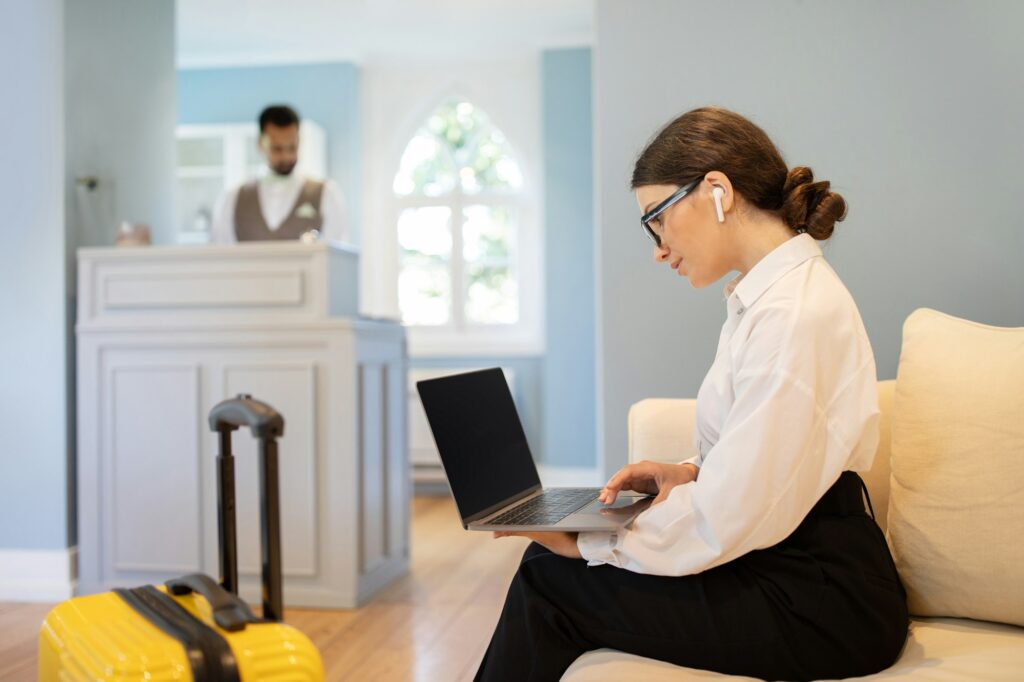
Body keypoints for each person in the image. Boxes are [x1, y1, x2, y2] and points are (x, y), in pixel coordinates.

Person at [478, 107, 909, 681]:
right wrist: (688, 470)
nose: (657, 248)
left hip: (822, 599)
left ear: (716, 192)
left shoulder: (794, 315)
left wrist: (593, 544)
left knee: (549, 581)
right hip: (786, 565)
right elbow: (764, 465)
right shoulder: (764, 302)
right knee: (544, 562)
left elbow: (731, 516)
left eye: (655, 218)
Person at [211, 104, 348, 243]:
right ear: (260, 143)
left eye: (292, 147)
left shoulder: (326, 194)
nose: (286, 157)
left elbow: (336, 256)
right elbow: (221, 256)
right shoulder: (233, 198)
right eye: (277, 149)